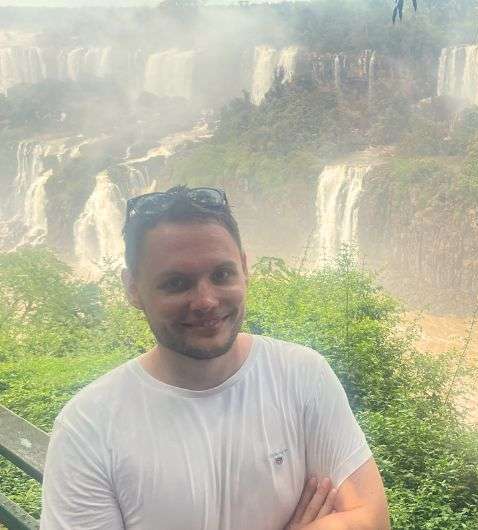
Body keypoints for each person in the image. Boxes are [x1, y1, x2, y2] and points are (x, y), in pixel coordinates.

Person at [40, 186, 390, 530]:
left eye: (221, 275)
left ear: (244, 268)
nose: (206, 301)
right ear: (133, 288)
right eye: (176, 283)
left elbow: (371, 519)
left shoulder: (302, 375)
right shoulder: (88, 426)